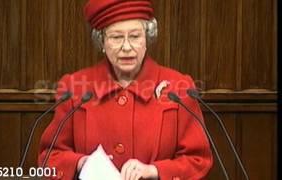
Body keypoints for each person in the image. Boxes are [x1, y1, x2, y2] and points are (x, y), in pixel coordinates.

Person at [38, 0, 213, 179]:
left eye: (135, 36)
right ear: (102, 42)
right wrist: (83, 164)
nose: (127, 47)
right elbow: (51, 155)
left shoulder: (178, 88)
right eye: (116, 37)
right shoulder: (74, 88)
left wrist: (154, 171)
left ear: (147, 39)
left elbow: (197, 159)